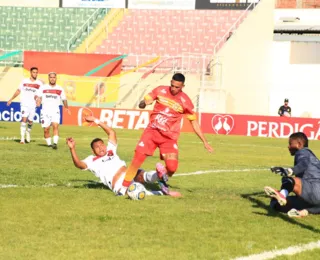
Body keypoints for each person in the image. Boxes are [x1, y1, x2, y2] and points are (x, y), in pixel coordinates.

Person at [117, 73, 213, 195]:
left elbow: (193, 122)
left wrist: (204, 141)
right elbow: (146, 100)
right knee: (136, 160)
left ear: (183, 86)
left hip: (169, 138)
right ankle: (122, 189)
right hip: (151, 132)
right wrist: (143, 103)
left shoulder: (186, 101)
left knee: (172, 168)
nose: (173, 89)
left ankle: (160, 177)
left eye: (177, 87)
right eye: (172, 85)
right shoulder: (160, 90)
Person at [66, 115, 180, 197]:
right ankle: (162, 192)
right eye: (97, 147)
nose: (101, 148)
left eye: (102, 145)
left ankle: (159, 174)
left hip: (129, 173)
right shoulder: (91, 160)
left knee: (141, 174)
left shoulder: (110, 150)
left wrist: (96, 120)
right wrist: (72, 149)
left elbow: (111, 133)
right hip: (119, 183)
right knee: (137, 193)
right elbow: (79, 164)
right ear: (93, 150)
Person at [264, 132, 320, 218]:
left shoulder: (303, 152)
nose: (288, 146)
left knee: (288, 179)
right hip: (314, 199)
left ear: (299, 144)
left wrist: (290, 171)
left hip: (315, 190)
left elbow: (303, 164)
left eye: (290, 144)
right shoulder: (313, 158)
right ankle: (303, 212)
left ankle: (282, 194)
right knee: (275, 203)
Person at [6, 67, 43, 144]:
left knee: (30, 121)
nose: (35, 74)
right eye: (34, 72)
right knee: (24, 119)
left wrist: (39, 100)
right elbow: (18, 90)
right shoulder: (24, 81)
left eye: (36, 72)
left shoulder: (39, 83)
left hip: (33, 105)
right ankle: (22, 139)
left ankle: (28, 132)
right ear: (30, 72)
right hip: (24, 104)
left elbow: (39, 95)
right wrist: (11, 99)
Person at [35, 72, 70, 149]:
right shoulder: (43, 88)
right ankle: (49, 144)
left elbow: (64, 99)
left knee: (55, 126)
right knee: (46, 130)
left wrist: (66, 107)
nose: (52, 79)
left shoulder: (60, 89)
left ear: (56, 78)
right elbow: (38, 96)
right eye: (51, 77)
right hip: (45, 111)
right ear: (49, 78)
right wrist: (37, 101)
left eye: (54, 77)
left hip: (55, 111)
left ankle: (55, 143)